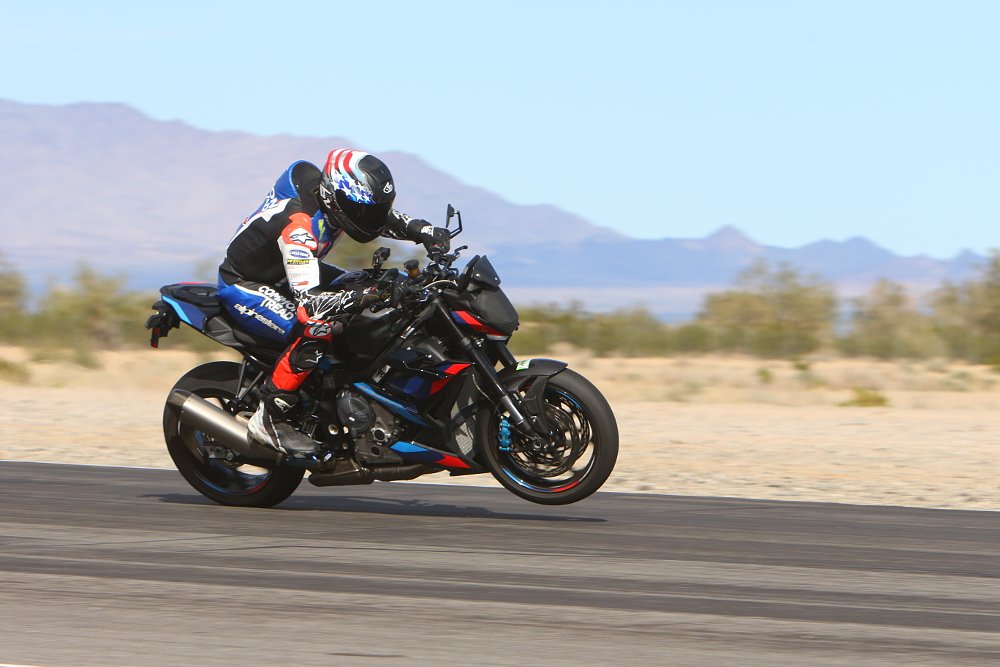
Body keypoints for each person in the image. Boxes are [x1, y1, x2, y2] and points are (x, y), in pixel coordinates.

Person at [217, 148, 451, 456]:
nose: (369, 218)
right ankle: (270, 417)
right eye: (362, 210)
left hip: (290, 271)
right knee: (318, 326)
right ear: (334, 200)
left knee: (370, 284)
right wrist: (362, 297)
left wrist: (422, 231)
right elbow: (310, 304)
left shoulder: (338, 199)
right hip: (249, 283)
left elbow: (376, 216)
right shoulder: (298, 228)